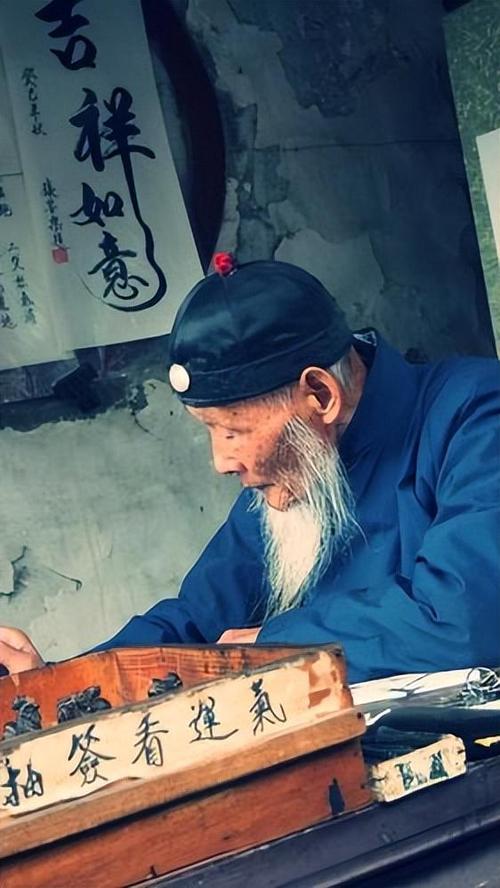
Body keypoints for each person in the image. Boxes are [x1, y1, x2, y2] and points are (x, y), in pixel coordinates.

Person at [1, 256, 499, 683]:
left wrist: (273, 649)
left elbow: (466, 622)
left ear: (320, 395)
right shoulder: (292, 471)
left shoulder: (475, 413)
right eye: (210, 430)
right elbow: (195, 625)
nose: (221, 461)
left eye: (233, 430)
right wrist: (62, 684)